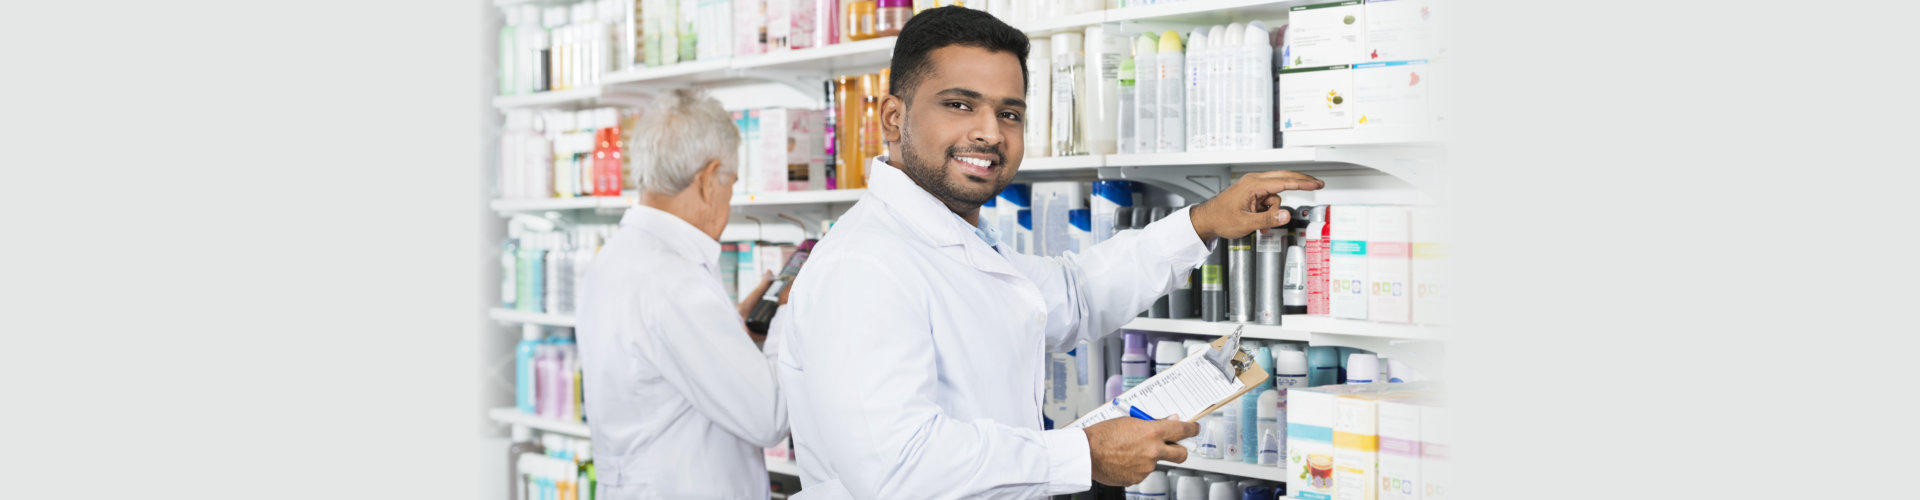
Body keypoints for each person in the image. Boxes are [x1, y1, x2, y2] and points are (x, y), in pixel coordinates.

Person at [776, 7, 1326, 499]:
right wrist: (1083, 454)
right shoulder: (865, 265)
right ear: (893, 118)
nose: (989, 132)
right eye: (960, 104)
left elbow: (1074, 294)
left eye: (1009, 113)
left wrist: (1203, 222)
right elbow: (896, 466)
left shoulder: (950, 241)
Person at [576, 88, 791, 500]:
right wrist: (787, 314)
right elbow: (769, 415)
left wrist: (733, 332)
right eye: (731, 182)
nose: (730, 196)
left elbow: (663, 369)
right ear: (709, 179)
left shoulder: (618, 256)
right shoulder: (674, 279)